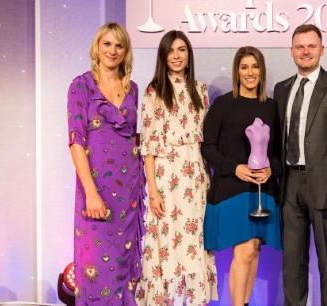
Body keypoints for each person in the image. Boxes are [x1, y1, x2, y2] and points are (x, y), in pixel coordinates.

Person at [273, 24, 327, 306]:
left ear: (322, 49)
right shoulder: (282, 88)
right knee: (292, 264)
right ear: (292, 51)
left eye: (311, 46)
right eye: (300, 47)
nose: (305, 51)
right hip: (290, 186)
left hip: (326, 188)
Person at [134, 30, 217, 305]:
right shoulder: (154, 91)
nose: (177, 56)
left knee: (194, 242)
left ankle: (194, 300)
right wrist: (153, 190)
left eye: (182, 50)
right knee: (167, 242)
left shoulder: (201, 90)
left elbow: (207, 138)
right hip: (166, 175)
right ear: (163, 56)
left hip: (195, 175)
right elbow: (148, 146)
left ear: (188, 53)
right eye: (171, 51)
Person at [67, 22, 144, 305]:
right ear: (97, 48)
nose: (112, 50)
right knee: (96, 269)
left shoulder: (133, 89)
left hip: (130, 194)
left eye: (119, 45)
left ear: (126, 51)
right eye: (107, 44)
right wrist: (90, 192)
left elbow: (138, 139)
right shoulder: (81, 85)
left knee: (126, 268)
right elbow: (76, 142)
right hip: (96, 190)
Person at [202, 46, 282, 306]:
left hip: (262, 190)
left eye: (255, 66)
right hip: (232, 188)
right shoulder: (223, 104)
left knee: (254, 250)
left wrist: (272, 170)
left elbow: (280, 152)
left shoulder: (271, 107)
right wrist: (234, 167)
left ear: (262, 70)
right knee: (245, 250)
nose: (250, 72)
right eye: (244, 67)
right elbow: (208, 147)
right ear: (237, 71)